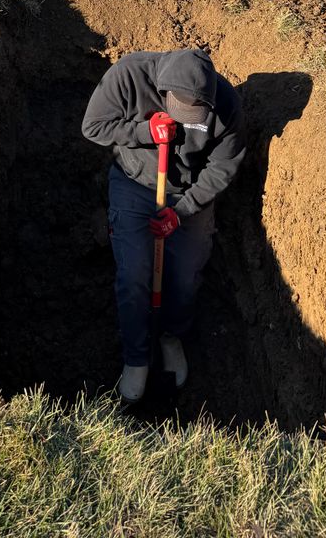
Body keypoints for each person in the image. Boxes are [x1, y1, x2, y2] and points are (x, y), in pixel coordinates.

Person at [82, 47, 245, 403]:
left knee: (185, 275)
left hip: (189, 194)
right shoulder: (128, 75)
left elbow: (222, 167)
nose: (188, 119)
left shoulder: (226, 104)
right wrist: (144, 131)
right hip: (135, 184)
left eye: (194, 113)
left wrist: (182, 211)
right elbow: (92, 126)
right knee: (134, 275)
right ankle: (137, 357)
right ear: (163, 89)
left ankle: (171, 337)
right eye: (180, 110)